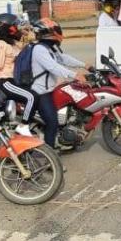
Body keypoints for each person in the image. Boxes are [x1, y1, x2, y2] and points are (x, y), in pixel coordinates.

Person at [27, 19, 87, 149]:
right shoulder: (39, 49)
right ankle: (49, 154)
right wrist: (75, 75)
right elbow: (53, 67)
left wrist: (85, 65)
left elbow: (63, 58)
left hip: (50, 89)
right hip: (41, 93)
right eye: (56, 30)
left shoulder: (49, 47)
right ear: (49, 33)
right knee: (52, 122)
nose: (59, 33)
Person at [0, 13, 36, 136]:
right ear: (8, 29)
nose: (17, 30)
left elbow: (23, 52)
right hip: (3, 82)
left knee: (35, 93)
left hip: (12, 81)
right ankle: (23, 126)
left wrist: (26, 34)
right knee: (31, 97)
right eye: (15, 27)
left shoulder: (11, 43)